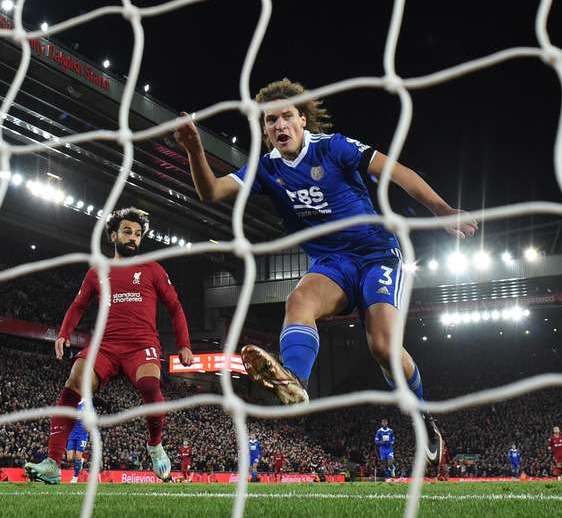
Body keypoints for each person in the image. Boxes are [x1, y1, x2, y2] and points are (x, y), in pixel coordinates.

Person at [174, 78, 477, 465]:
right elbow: (211, 192)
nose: (279, 126)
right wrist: (194, 149)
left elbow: (395, 171)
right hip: (331, 265)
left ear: (302, 120)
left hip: (377, 255)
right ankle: (295, 383)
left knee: (383, 347)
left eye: (286, 117)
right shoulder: (266, 168)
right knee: (299, 298)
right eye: (270, 121)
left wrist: (441, 209)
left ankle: (422, 420)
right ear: (264, 130)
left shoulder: (334, 147)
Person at [24, 208, 193, 484]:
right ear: (113, 235)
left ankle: (154, 445)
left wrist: (184, 344)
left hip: (141, 345)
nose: (133, 238)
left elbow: (174, 307)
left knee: (150, 385)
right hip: (104, 346)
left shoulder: (153, 269)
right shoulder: (97, 272)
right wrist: (63, 333)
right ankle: (53, 463)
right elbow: (78, 306)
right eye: (127, 232)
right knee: (74, 384)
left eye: (138, 234)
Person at [65, 400, 89, 483]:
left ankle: (75, 478)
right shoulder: (72, 403)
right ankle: (80, 461)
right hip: (72, 434)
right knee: (69, 458)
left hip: (82, 434)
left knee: (78, 457)